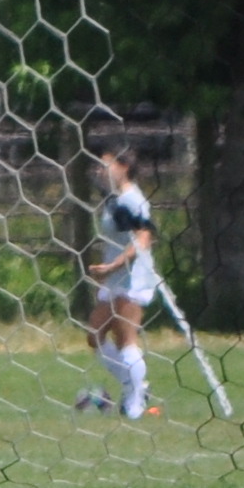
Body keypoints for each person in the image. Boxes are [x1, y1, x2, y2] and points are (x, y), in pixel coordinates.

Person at [74, 144, 159, 422]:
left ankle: (134, 404)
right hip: (114, 279)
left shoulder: (132, 200)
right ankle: (135, 385)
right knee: (94, 335)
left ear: (124, 168)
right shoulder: (114, 199)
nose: (100, 170)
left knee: (126, 341)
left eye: (106, 164)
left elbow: (144, 238)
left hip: (132, 279)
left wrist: (114, 264)